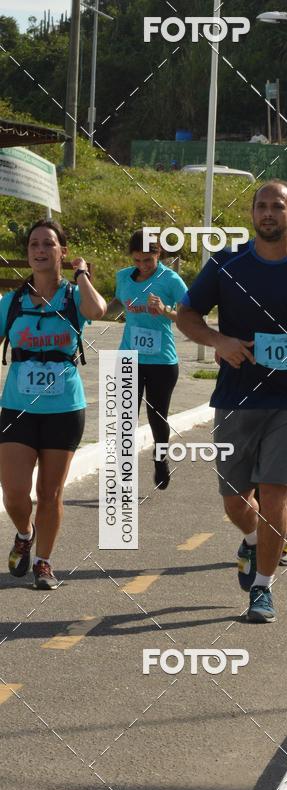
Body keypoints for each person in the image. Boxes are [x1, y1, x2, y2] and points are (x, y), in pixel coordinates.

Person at [177, 179, 287, 623]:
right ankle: (255, 538)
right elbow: (186, 314)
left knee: (277, 490)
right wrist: (220, 340)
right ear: (253, 215)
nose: (269, 213)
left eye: (278, 206)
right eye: (262, 206)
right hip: (237, 395)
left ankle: (262, 588)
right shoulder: (226, 263)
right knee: (236, 500)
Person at [0, 219, 107, 589]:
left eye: (48, 244)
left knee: (50, 492)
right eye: (33, 245)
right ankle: (24, 533)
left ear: (62, 251)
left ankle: (43, 562)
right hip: (18, 408)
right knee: (14, 492)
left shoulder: (73, 296)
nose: (40, 250)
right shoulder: (11, 302)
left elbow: (98, 311)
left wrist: (81, 276)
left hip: (64, 409)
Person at [113, 229, 188, 489]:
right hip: (129, 357)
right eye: (137, 260)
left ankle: (160, 459)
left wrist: (165, 310)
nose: (143, 266)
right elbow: (113, 307)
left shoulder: (171, 280)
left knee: (157, 415)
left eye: (148, 260)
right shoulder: (123, 277)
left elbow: (191, 317)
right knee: (125, 417)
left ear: (159, 254)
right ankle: (124, 476)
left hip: (162, 361)